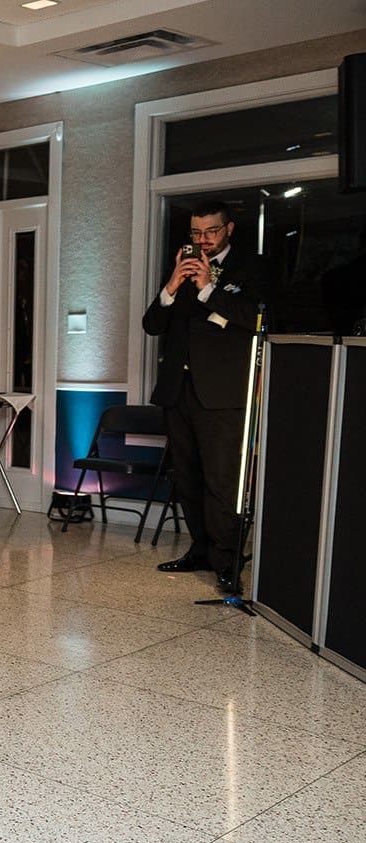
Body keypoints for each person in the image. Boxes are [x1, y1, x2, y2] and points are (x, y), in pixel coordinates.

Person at [144, 199, 265, 594]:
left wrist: (207, 288)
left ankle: (227, 560)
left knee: (221, 481)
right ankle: (199, 548)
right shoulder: (183, 267)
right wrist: (172, 286)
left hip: (222, 395)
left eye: (210, 232)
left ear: (228, 229)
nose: (203, 240)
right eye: (196, 233)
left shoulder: (252, 268)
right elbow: (151, 325)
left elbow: (254, 319)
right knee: (187, 478)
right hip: (178, 392)